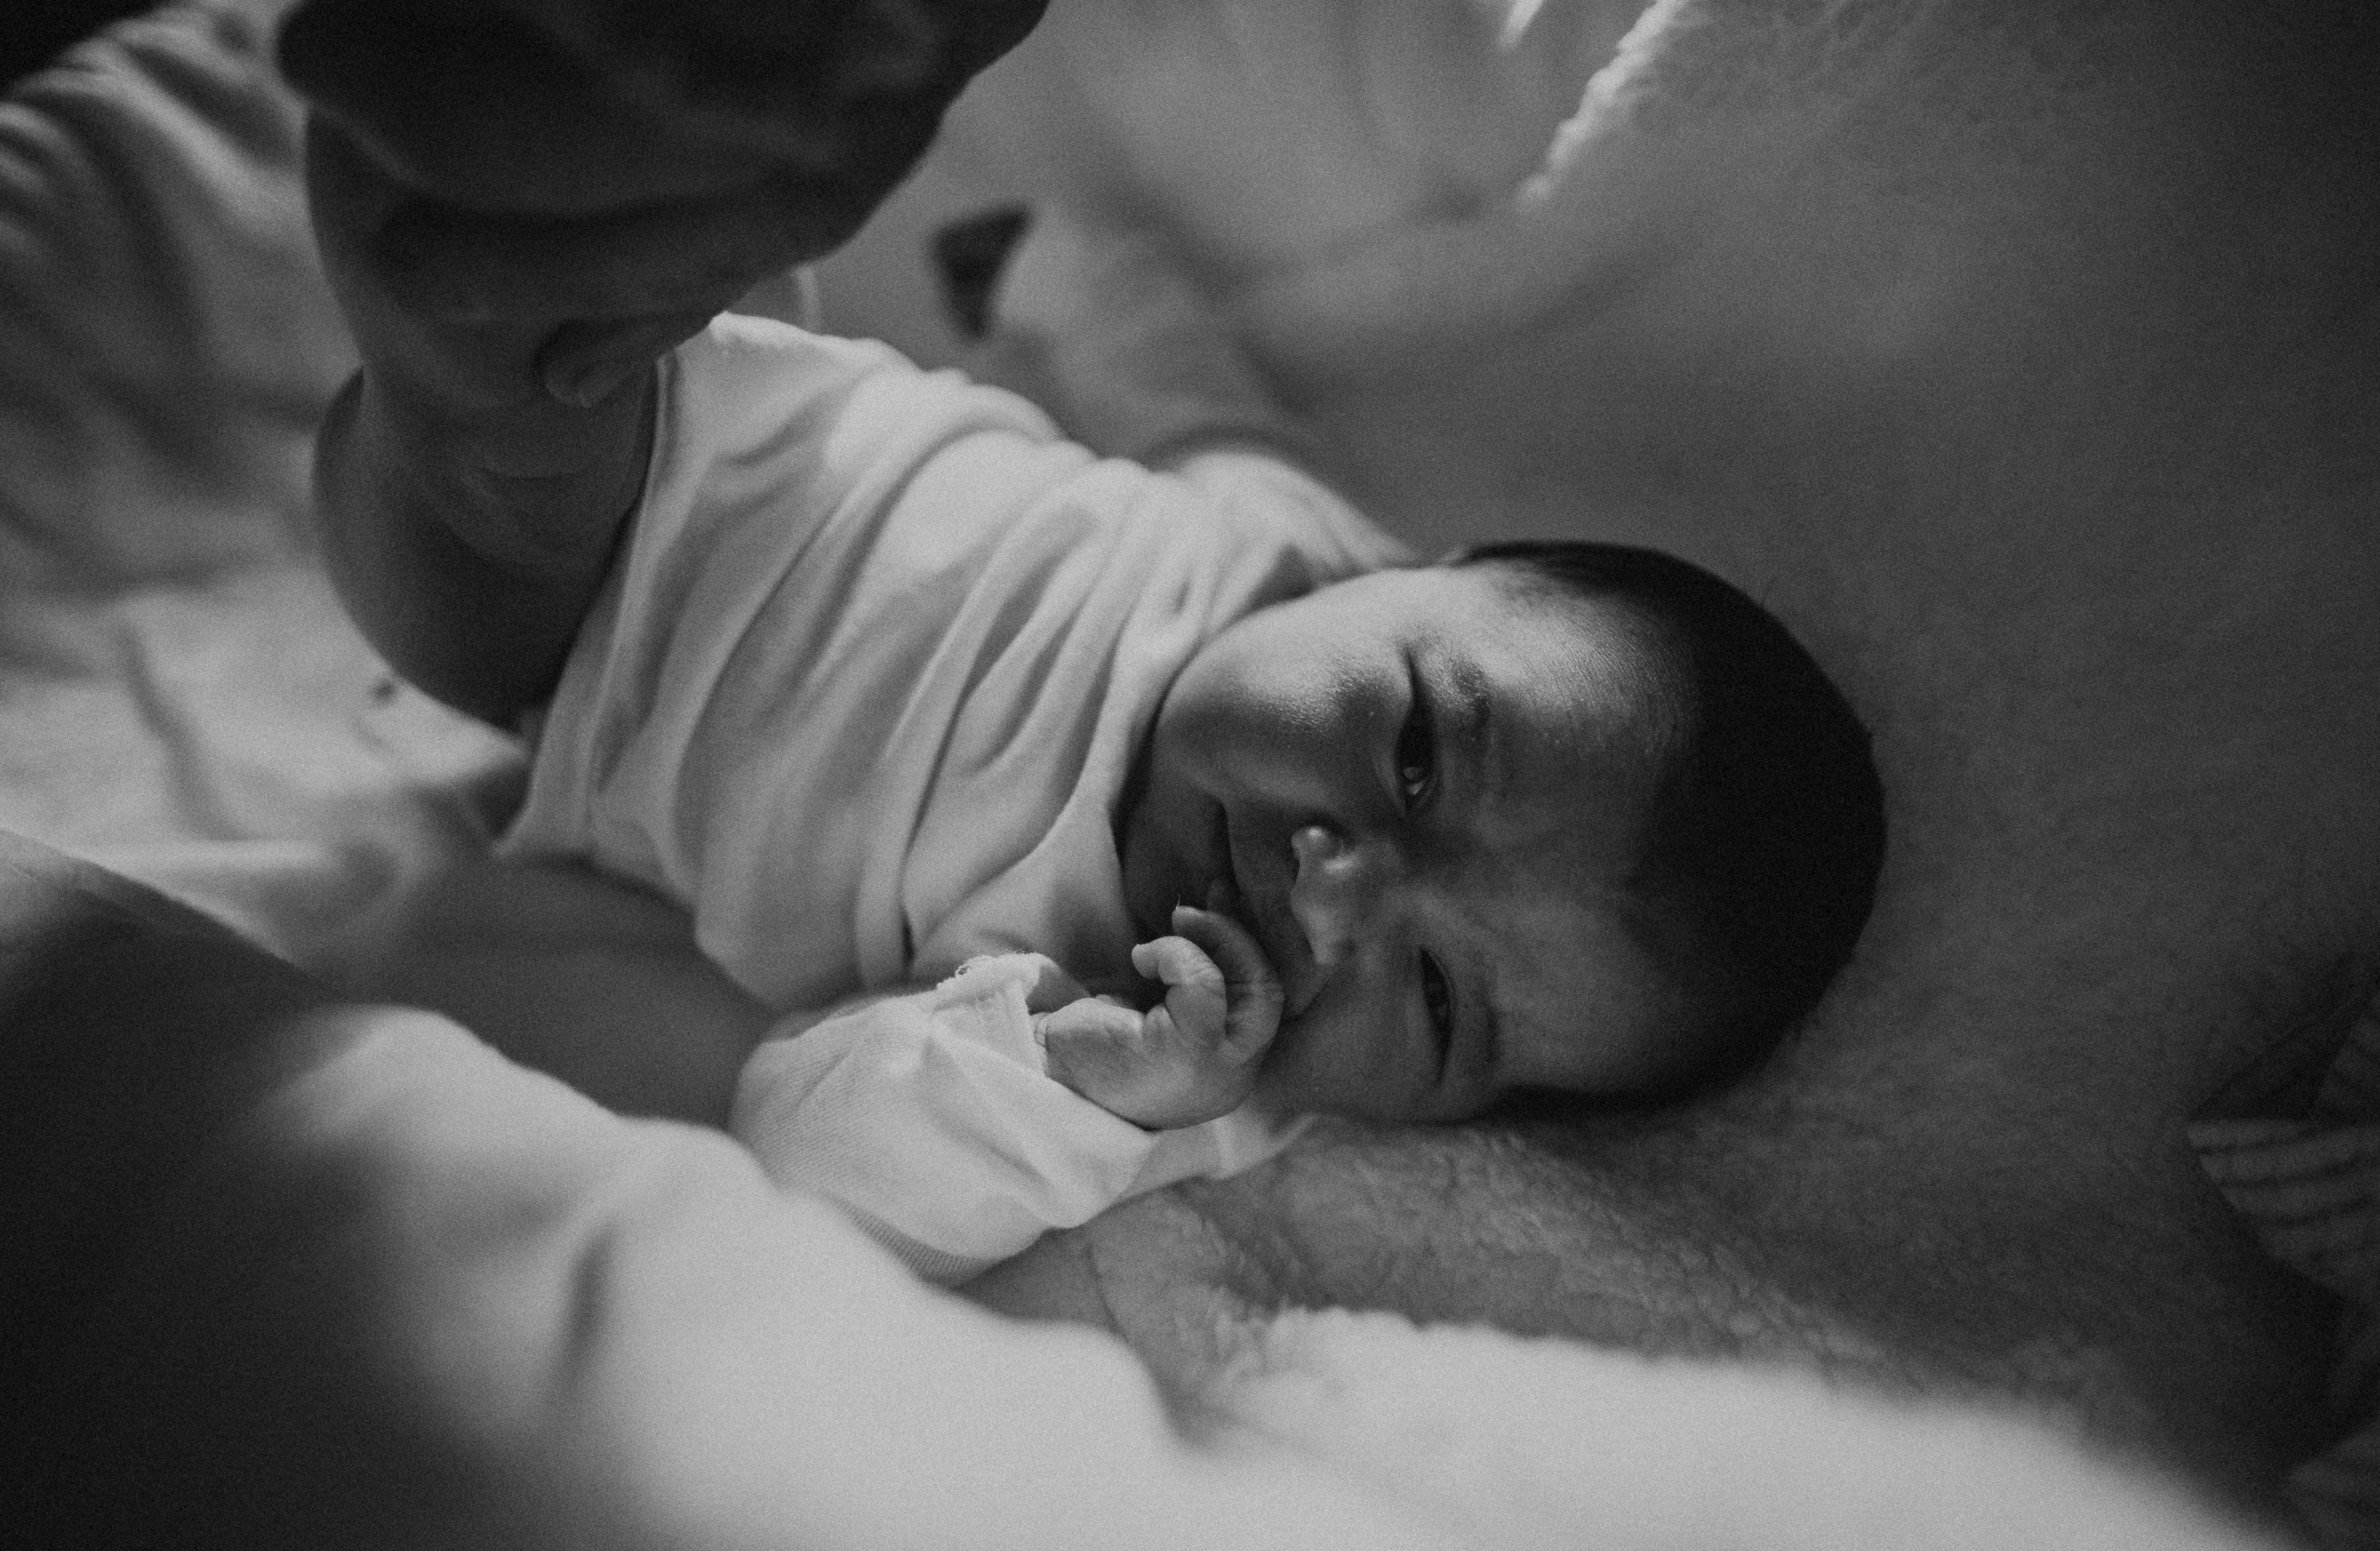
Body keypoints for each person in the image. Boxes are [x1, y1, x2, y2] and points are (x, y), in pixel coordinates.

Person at [306, 79, 1886, 1279]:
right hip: (744, 395)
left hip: (571, 650)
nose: (1332, 897)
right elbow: (1190, 397)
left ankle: (440, 183)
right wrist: (1061, 274)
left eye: (1432, 996)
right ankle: (547, 132)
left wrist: (1063, 1085)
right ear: (1430, 571)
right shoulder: (1301, 544)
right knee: (639, 210)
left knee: (494, 394)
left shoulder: (1159, 1056)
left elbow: (806, 1138)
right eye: (1414, 761)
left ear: (1460, 1118)